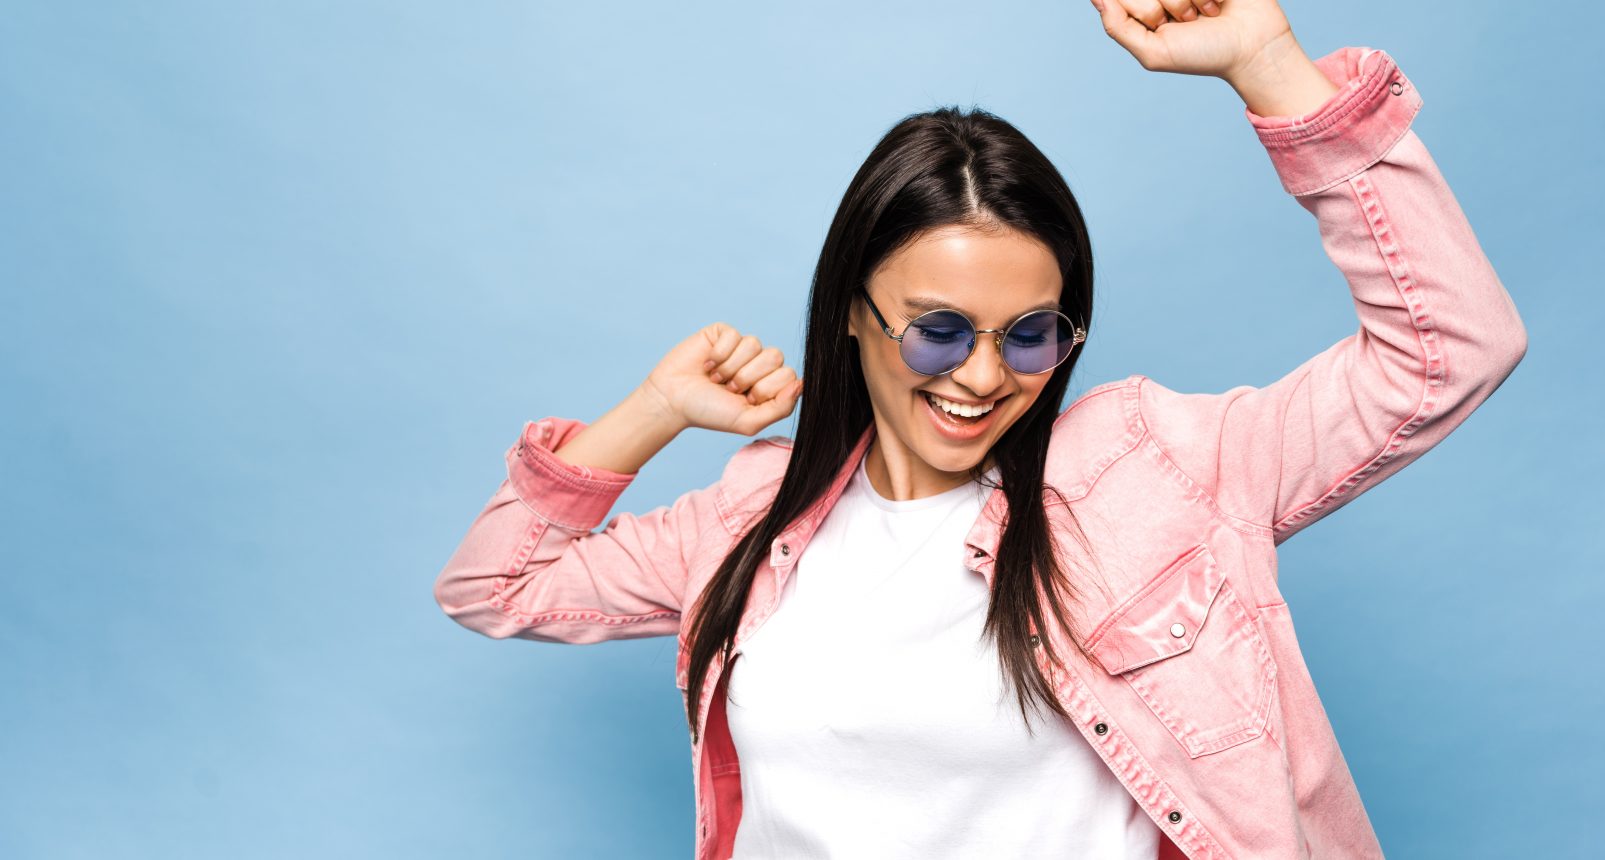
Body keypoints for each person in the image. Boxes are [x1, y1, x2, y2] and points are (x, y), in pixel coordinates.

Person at [433, 0, 1527, 856]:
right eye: (939, 331)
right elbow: (494, 586)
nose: (985, 376)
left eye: (1031, 334)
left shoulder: (1159, 469)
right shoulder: (746, 519)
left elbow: (1452, 349)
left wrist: (1268, 64)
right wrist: (655, 409)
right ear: (851, 313)